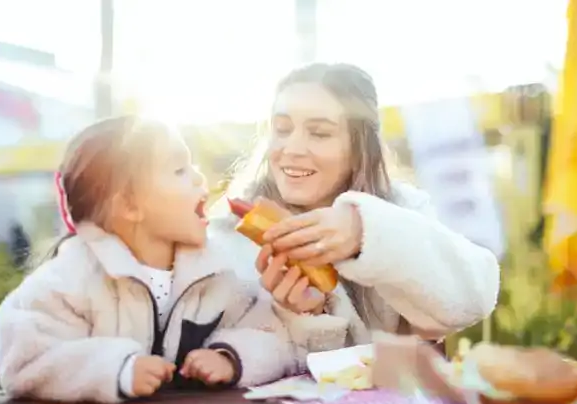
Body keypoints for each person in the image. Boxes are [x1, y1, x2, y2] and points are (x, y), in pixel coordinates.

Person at [210, 63, 500, 368]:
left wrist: (365, 233)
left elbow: (473, 298)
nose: (291, 148)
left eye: (319, 133)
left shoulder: (402, 208)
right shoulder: (229, 235)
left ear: (359, 147)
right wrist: (309, 316)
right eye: (282, 129)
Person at [0, 117, 294, 404]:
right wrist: (118, 370)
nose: (200, 178)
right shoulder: (68, 278)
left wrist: (230, 356)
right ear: (128, 205)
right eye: (179, 170)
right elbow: (25, 362)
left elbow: (272, 338)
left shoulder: (218, 274)